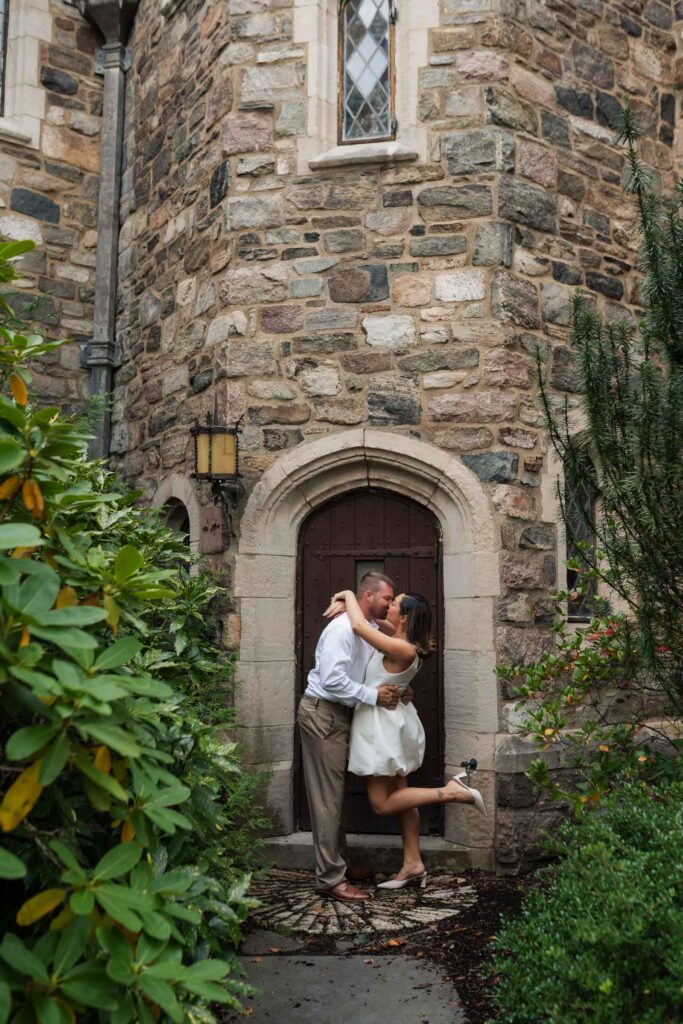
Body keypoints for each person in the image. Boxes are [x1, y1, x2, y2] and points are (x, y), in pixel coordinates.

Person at [323, 588, 486, 891]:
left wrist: (346, 593)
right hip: (390, 722)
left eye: (395, 603)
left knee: (382, 803)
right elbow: (372, 620)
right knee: (402, 795)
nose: (390, 605)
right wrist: (358, 604)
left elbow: (359, 625)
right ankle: (413, 863)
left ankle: (451, 792)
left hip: (382, 728)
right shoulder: (401, 640)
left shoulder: (403, 648)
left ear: (405, 617)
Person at [296, 572, 403, 903]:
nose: (390, 604)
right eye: (387, 598)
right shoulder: (342, 629)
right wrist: (373, 697)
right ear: (369, 597)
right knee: (327, 798)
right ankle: (330, 878)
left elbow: (387, 640)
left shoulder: (365, 626)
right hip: (323, 714)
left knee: (335, 794)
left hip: (338, 714)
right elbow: (332, 680)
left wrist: (348, 597)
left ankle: (337, 865)